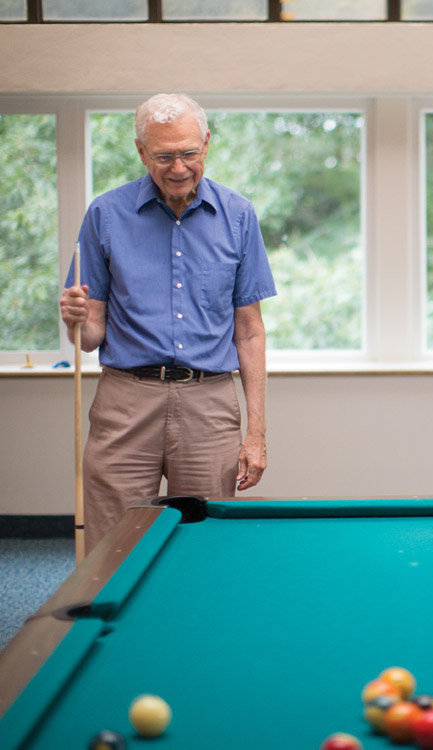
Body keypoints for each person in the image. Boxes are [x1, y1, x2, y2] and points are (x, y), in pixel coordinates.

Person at [59, 93, 276, 554]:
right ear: (141, 151)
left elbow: (250, 331)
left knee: (204, 545)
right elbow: (91, 334)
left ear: (207, 144)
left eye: (188, 153)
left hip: (209, 402)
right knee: (114, 544)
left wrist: (255, 433)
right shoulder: (105, 215)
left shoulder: (238, 216)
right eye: (163, 156)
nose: (178, 168)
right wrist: (75, 320)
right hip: (125, 401)